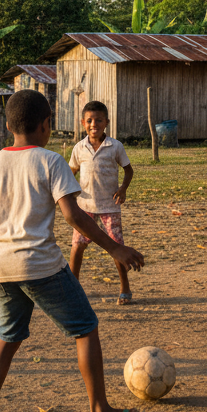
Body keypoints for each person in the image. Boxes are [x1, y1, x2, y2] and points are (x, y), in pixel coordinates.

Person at [0, 89, 145, 412]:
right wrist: (114, 248)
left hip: (0, 266)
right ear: (46, 125)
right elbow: (73, 215)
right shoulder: (50, 160)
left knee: (7, 338)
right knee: (86, 328)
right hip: (39, 264)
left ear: (9, 126)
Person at [68, 101, 135, 304]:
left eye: (98, 120)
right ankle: (73, 290)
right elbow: (71, 172)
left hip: (109, 207)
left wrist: (123, 189)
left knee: (117, 248)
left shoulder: (115, 146)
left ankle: (125, 288)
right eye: (89, 120)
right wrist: (68, 195)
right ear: (83, 123)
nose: (93, 124)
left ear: (106, 122)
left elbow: (128, 170)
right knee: (77, 247)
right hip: (84, 208)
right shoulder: (79, 148)